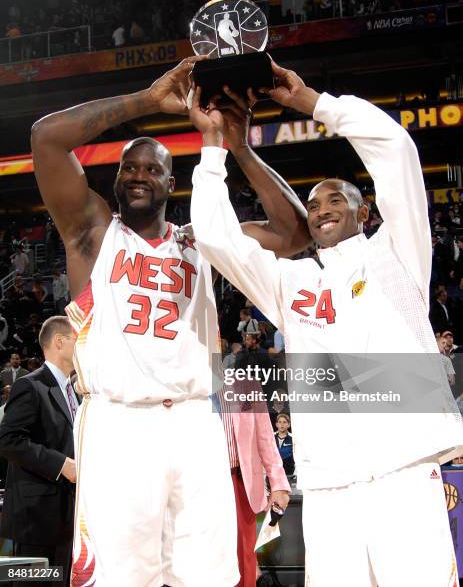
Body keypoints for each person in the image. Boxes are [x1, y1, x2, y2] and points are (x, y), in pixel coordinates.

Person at [31, 57, 309, 587]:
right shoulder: (92, 233)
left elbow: (294, 233)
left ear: (170, 181)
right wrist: (145, 100)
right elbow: (46, 137)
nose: (138, 176)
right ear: (114, 179)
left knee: (208, 575)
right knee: (118, 578)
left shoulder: (200, 240)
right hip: (119, 421)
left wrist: (239, 146)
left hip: (191, 422)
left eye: (151, 168)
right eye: (128, 168)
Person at [189, 63, 463, 586]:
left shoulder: (397, 252)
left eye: (336, 198)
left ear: (364, 214)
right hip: (329, 486)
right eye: (312, 204)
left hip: (403, 474)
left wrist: (315, 103)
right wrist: (213, 149)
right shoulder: (291, 283)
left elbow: (397, 149)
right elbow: (216, 237)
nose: (321, 209)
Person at [0, 316, 77, 587]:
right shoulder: (30, 385)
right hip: (36, 521)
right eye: (78, 339)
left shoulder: (73, 390)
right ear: (59, 341)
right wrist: (61, 465)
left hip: (67, 519)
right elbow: (8, 440)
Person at [216, 377, 290, 587]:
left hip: (240, 481)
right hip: (201, 481)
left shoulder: (247, 383)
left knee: (244, 560)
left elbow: (266, 436)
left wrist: (278, 484)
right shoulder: (186, 380)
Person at [274, 412, 295, 477]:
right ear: (276, 424)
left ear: (288, 424)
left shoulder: (293, 438)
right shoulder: (271, 438)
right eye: (280, 422)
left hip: (289, 473)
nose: (282, 424)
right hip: (274, 473)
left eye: (284, 422)